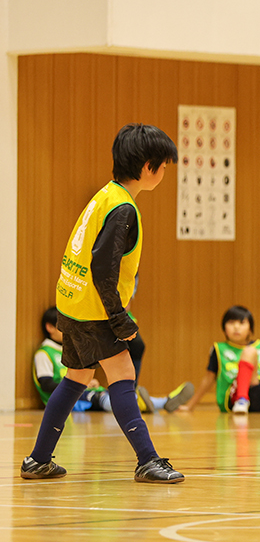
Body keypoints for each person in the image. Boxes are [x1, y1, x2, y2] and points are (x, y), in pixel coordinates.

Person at [21, 123, 183, 483]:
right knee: (123, 376)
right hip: (95, 309)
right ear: (148, 167)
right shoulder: (123, 209)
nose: (164, 172)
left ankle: (38, 459)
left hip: (72, 304)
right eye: (163, 166)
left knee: (75, 378)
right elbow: (103, 269)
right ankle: (148, 460)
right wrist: (119, 317)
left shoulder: (105, 196)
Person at [35, 307, 192, 414]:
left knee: (112, 394)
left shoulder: (70, 349)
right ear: (50, 327)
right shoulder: (44, 353)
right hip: (74, 399)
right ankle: (139, 404)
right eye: (63, 326)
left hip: (89, 392)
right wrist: (80, 384)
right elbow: (46, 384)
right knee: (102, 398)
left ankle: (164, 402)